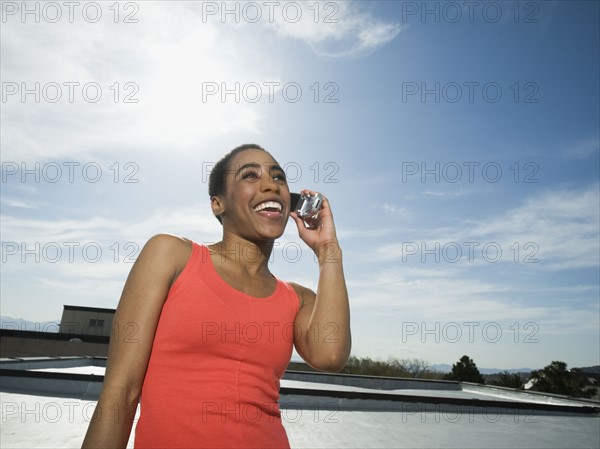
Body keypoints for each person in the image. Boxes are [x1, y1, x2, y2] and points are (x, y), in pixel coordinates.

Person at [81, 143, 351, 448]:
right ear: (218, 204)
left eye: (278, 178)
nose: (270, 185)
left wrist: (328, 250)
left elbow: (330, 355)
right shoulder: (171, 255)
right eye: (250, 176)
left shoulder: (298, 298)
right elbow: (121, 390)